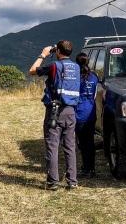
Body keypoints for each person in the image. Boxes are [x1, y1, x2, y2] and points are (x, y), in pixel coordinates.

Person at [29, 40, 80, 191]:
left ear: (58, 51)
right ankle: (72, 181)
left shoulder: (54, 65)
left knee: (52, 146)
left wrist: (43, 54)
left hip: (55, 111)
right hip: (71, 110)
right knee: (70, 146)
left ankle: (53, 182)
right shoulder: (76, 67)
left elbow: (32, 70)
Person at [75, 53, 98, 178]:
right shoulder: (94, 76)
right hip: (91, 112)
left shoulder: (76, 78)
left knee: (82, 143)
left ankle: (86, 168)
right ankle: (91, 168)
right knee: (90, 142)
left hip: (79, 112)